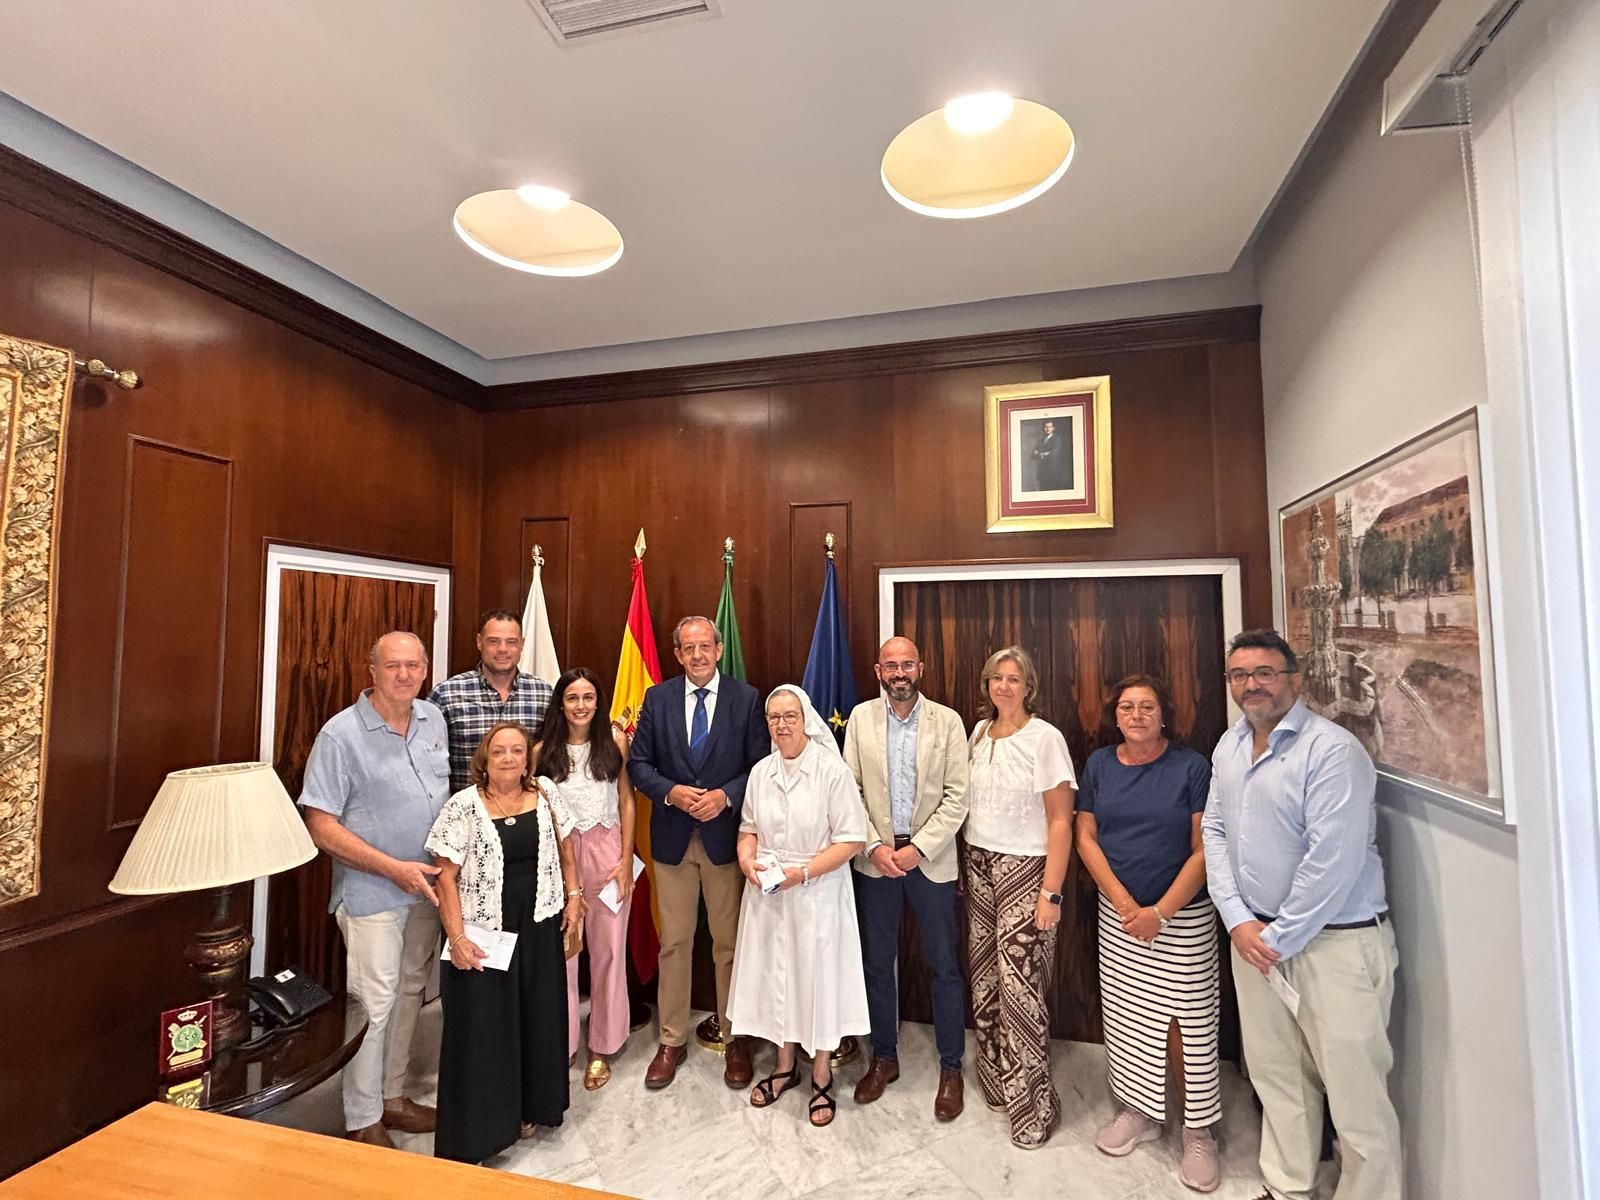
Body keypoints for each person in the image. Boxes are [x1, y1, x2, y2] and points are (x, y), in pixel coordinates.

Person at [1202, 629, 1399, 1200]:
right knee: (1277, 1077)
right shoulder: (1230, 746)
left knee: (1357, 1098)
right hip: (1255, 940)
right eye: (1240, 675)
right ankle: (1287, 1186)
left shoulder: (1332, 751)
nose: (1251, 685)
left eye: (1264, 673)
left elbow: (1331, 864)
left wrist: (1278, 936)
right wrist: (1239, 921)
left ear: (1295, 679)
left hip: (1333, 944)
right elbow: (1214, 832)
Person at [298, 631, 449, 1148]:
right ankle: (363, 1119)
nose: (404, 675)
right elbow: (321, 825)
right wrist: (393, 868)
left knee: (409, 998)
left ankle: (393, 1099)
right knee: (375, 1006)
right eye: (393, 667)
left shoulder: (434, 720)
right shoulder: (340, 736)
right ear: (372, 672)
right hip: (373, 897)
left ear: (425, 670)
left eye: (413, 666)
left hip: (428, 891)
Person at [1077, 674, 1221, 1193]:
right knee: (1128, 1017)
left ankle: (1199, 1129)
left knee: (1189, 1021)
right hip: (1119, 916)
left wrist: (1159, 912)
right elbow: (1085, 836)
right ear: (1114, 716)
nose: (1136, 715)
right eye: (1126, 707)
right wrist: (1124, 903)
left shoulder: (1191, 766)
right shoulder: (1097, 765)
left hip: (1181, 915)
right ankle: (1140, 1112)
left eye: (1147, 707)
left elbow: (1205, 848)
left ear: (1164, 714)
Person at [425, 721, 582, 1164]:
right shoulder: (463, 806)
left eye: (517, 750)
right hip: (486, 933)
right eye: (499, 752)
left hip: (539, 925)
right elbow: (446, 878)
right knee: (487, 1029)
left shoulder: (547, 792)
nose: (509, 758)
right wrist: (456, 937)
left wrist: (574, 898)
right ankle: (488, 1129)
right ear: (484, 759)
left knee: (536, 1017)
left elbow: (567, 850)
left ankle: (533, 1106)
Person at [628, 615, 767, 1090]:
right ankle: (672, 1039)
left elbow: (759, 767)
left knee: (730, 946)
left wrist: (725, 796)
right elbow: (638, 764)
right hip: (671, 842)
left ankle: (735, 1039)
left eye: (705, 646)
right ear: (677, 654)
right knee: (675, 944)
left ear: (719, 648)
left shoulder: (746, 699)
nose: (698, 655)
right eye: (689, 648)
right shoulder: (658, 697)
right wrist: (671, 793)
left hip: (726, 841)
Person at [729, 684, 870, 1128]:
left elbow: (851, 840)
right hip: (770, 893)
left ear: (805, 719)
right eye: (774, 717)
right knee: (777, 977)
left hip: (819, 891)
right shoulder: (760, 772)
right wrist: (746, 859)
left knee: (818, 980)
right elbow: (748, 827)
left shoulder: (832, 772)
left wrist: (803, 874)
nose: (782, 725)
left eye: (790, 716)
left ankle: (822, 1073)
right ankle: (785, 1066)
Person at [844, 635, 970, 1120]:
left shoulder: (948, 722)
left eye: (908, 665)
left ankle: (951, 1066)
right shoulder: (860, 719)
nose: (900, 673)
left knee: (943, 965)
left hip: (929, 860)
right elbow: (849, 787)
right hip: (875, 858)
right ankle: (884, 1058)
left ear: (921, 668)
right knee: (878, 963)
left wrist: (917, 849)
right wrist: (875, 846)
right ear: (878, 671)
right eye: (891, 665)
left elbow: (958, 796)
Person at [963, 645, 1076, 1148]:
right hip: (978, 865)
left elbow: (1060, 820)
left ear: (1028, 686)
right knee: (985, 980)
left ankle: (1034, 1106)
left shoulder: (1045, 738)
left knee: (1021, 992)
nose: (1004, 687)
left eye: (1014, 679)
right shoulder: (978, 732)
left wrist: (1051, 892)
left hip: (1026, 870)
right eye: (996, 678)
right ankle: (996, 1082)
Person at [534, 667, 636, 1091]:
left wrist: (627, 860)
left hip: (608, 854)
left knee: (609, 951)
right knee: (563, 955)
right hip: (560, 858)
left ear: (599, 702)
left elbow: (627, 800)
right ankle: (563, 1042)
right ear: (561, 703)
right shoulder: (542, 750)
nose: (580, 705)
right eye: (572, 697)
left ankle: (603, 1046)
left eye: (588, 697)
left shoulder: (614, 741)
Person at [429, 609, 555, 794]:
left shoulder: (544, 695)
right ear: (479, 642)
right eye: (493, 641)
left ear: (522, 644)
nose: (502, 649)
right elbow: (427, 761)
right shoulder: (446, 695)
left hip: (526, 811)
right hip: (467, 815)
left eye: (511, 642)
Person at [1029, 418, 1069, 491]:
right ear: (1043, 428)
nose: (1047, 429)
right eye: (1046, 427)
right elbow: (1032, 455)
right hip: (1041, 472)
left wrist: (1039, 454)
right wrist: (1045, 454)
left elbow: (1053, 455)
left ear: (1053, 428)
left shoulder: (1057, 439)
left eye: (1050, 427)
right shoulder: (1040, 440)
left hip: (1052, 472)